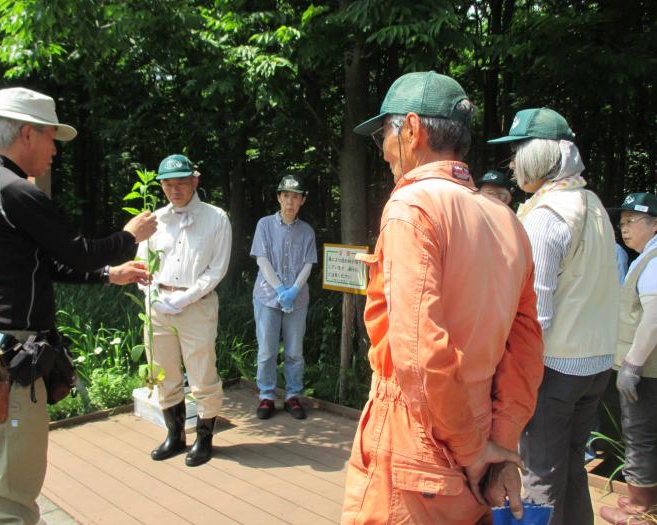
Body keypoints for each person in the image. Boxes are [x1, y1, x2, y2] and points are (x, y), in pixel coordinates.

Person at [341, 71, 544, 524]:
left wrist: (472, 450)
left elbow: (419, 354)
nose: (385, 151)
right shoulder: (507, 220)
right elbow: (526, 349)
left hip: (420, 440)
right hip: (482, 430)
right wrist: (501, 445)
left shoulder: (412, 208)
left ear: (411, 129)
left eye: (383, 136)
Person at [0, 87, 157, 525]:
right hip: (1, 361)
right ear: (27, 133)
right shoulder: (13, 192)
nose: (55, 150)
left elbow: (43, 265)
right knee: (9, 505)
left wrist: (110, 274)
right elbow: (77, 251)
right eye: (52, 137)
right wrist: (129, 237)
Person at [489, 107, 620, 525]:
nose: (510, 165)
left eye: (515, 153)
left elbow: (535, 316)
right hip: (597, 364)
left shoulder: (546, 217)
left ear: (537, 156)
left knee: (541, 478)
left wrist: (503, 373)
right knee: (572, 471)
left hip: (555, 370)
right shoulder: (592, 203)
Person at [140, 154, 231, 467]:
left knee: (202, 372)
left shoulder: (216, 218)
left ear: (195, 180)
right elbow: (142, 265)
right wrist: (152, 294)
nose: (174, 189)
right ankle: (174, 434)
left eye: (180, 182)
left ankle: (204, 437)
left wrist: (185, 297)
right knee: (162, 371)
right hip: (158, 305)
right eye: (167, 183)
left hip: (197, 306)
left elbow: (216, 268)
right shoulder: (153, 221)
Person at [600, 193, 657, 525]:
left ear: (654, 225)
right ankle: (644, 500)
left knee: (640, 434)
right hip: (646, 368)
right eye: (621, 223)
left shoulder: (652, 262)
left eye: (631, 221)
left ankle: (640, 509)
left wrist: (632, 364)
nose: (624, 228)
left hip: (646, 369)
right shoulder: (643, 258)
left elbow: (653, 318)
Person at [250, 174, 317, 420]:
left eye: (295, 196)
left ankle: (292, 396)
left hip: (297, 300)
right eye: (286, 195)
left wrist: (293, 291)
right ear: (279, 197)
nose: (290, 201)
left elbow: (308, 264)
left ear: (302, 201)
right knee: (267, 350)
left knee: (294, 351)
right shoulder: (264, 225)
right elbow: (261, 259)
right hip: (267, 297)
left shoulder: (307, 231)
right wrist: (280, 289)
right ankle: (266, 396)